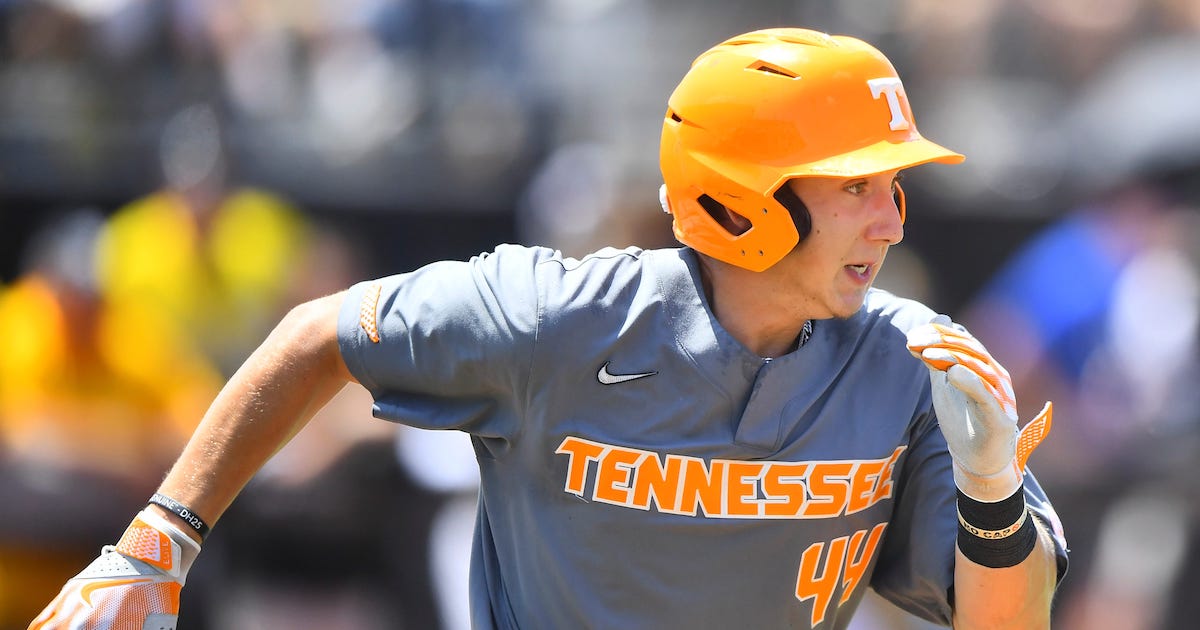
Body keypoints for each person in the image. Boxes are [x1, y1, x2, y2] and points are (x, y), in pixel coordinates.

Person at [29, 28, 1067, 629]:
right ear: (744, 197)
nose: (893, 218)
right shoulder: (558, 316)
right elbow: (317, 335)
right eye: (858, 187)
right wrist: (157, 546)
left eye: (895, 187)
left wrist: (989, 498)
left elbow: (1006, 621)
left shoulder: (914, 361)